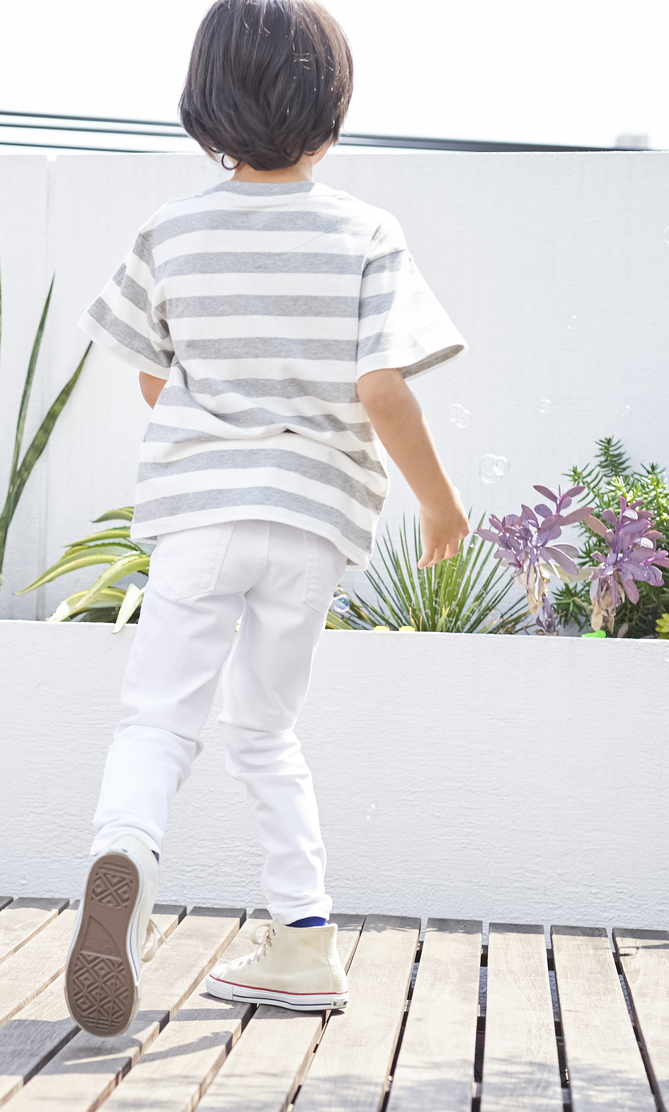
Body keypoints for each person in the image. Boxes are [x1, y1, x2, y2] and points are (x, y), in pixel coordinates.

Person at [63, 0, 468, 1036]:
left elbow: (153, 377)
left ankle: (124, 854)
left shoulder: (172, 227)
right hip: (309, 522)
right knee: (264, 728)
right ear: (331, 110)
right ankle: (301, 939)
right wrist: (437, 499)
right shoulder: (366, 231)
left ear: (201, 108)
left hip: (199, 516)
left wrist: (216, 423)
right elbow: (382, 390)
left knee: (158, 718)